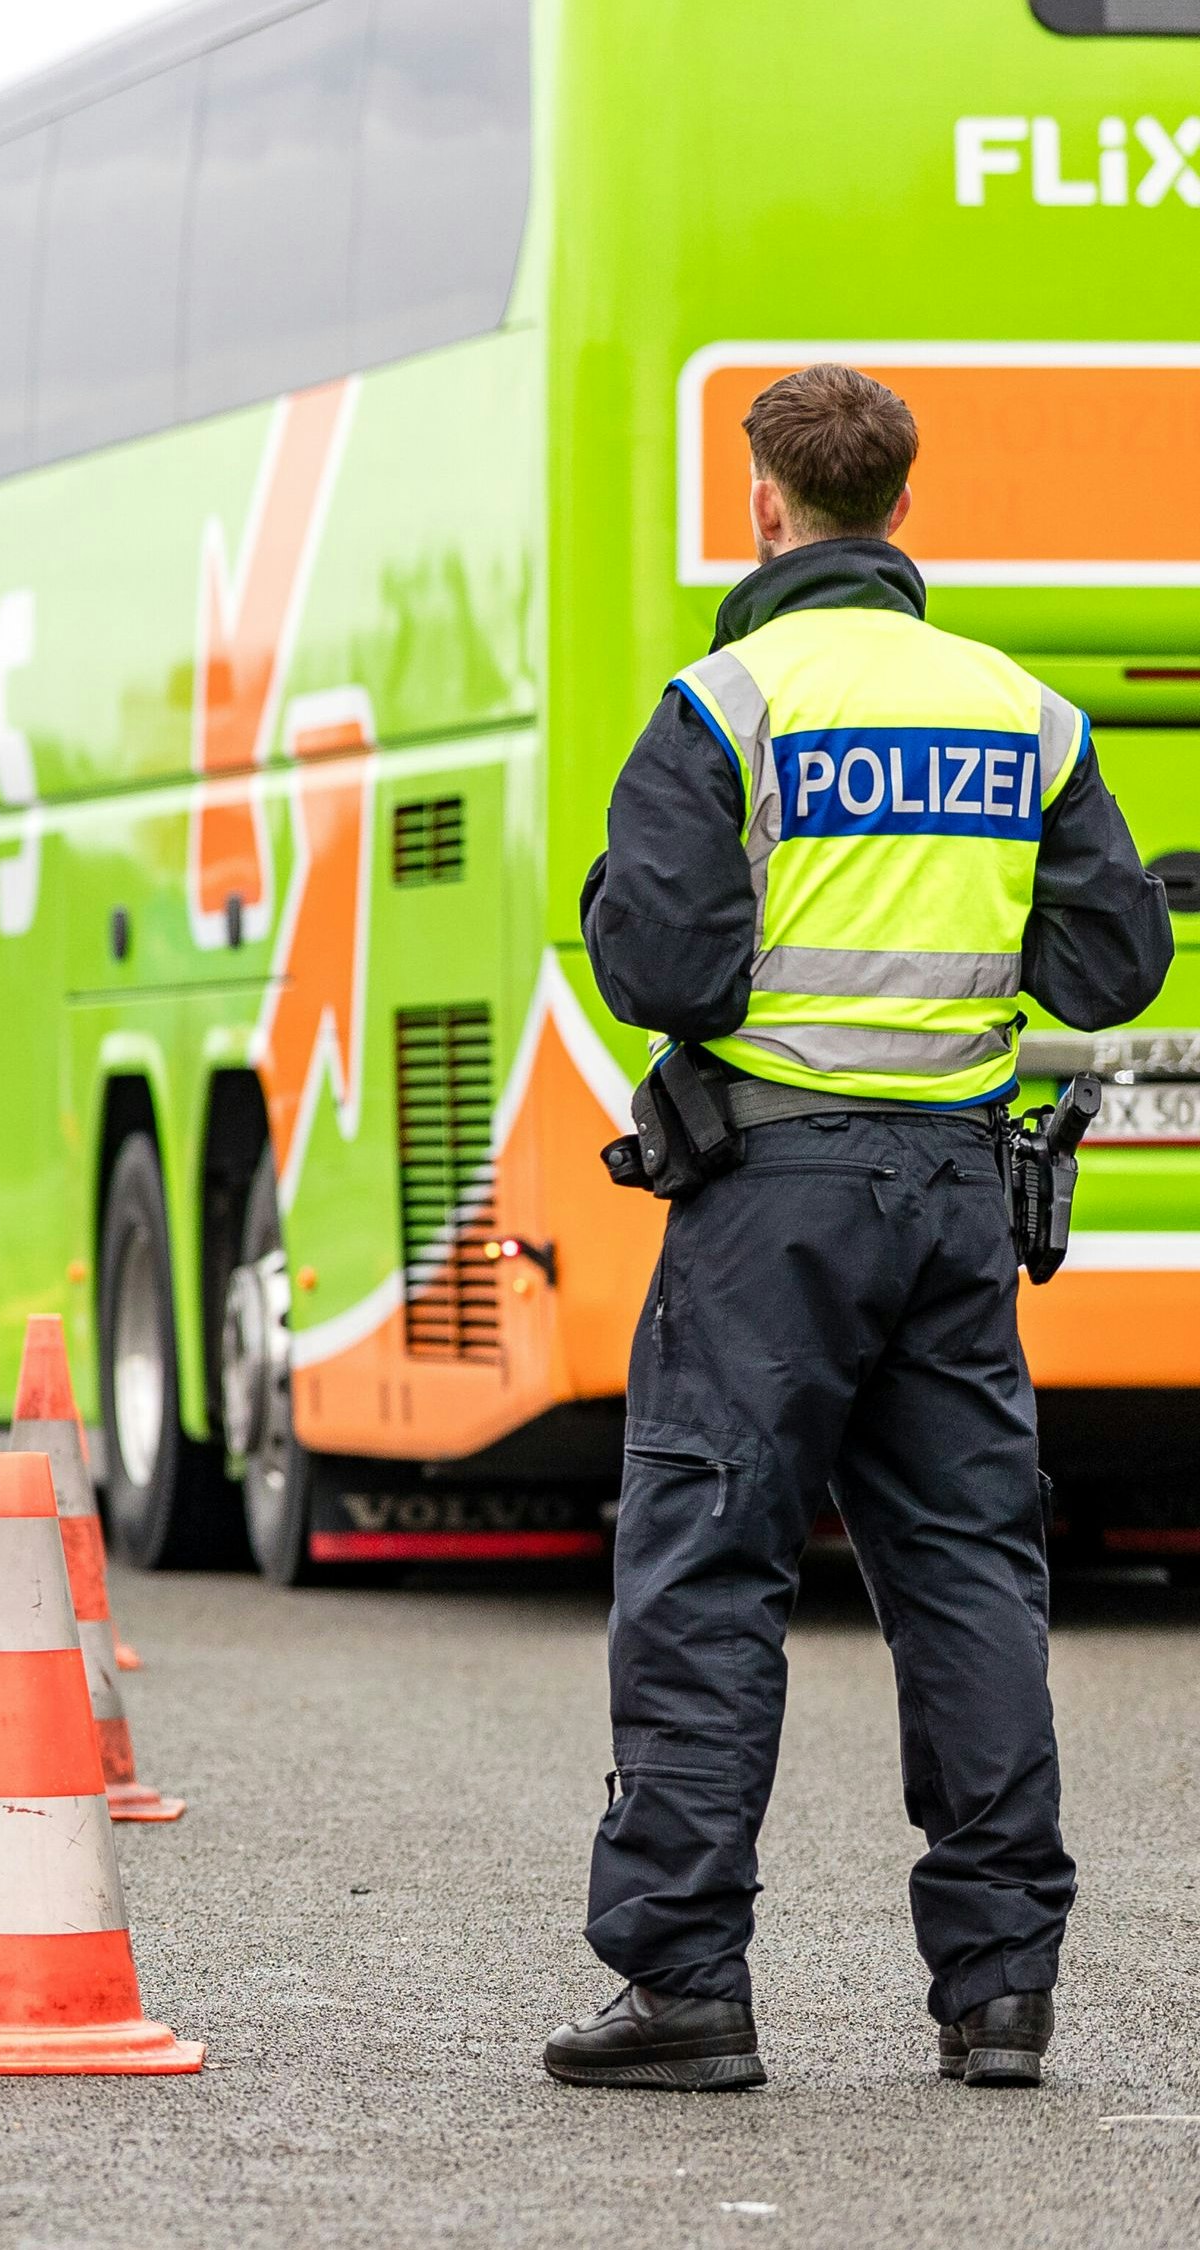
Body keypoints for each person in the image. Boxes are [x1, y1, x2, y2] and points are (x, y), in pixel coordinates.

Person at [546, 367, 1171, 2092]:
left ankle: (684, 1986)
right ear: (903, 506)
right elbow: (1116, 963)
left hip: (769, 1208)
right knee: (972, 1577)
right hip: (959, 1208)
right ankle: (999, 1992)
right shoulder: (1021, 714)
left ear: (766, 501)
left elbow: (663, 965)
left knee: (706, 1571)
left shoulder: (722, 703)